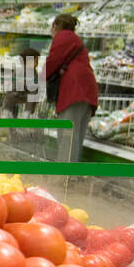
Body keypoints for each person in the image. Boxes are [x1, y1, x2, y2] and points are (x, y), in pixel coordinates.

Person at [46, 13, 98, 163]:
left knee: (67, 136)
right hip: (86, 91)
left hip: (73, 92)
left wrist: (39, 77)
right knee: (76, 137)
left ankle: (64, 175)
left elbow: (52, 63)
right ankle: (70, 175)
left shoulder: (62, 38)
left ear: (55, 26)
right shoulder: (75, 39)